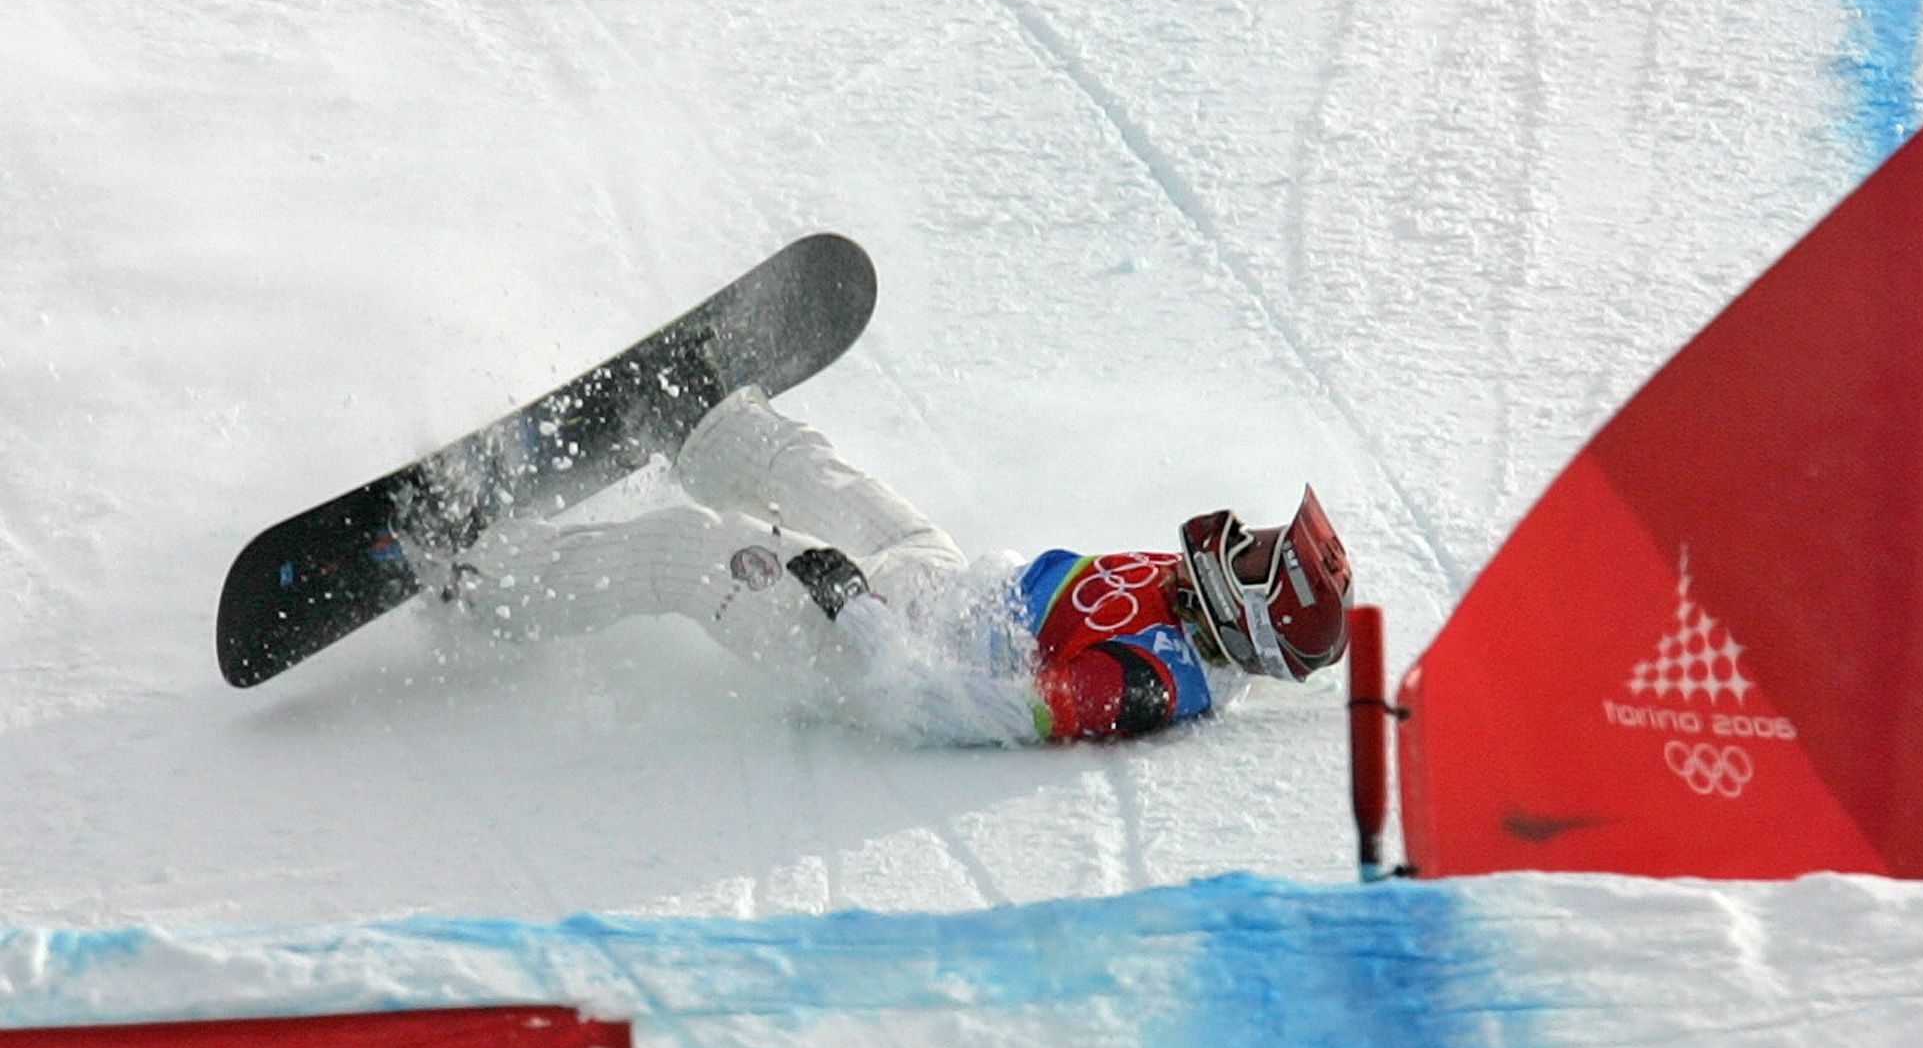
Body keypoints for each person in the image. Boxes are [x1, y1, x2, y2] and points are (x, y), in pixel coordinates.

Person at [429, 386, 1353, 745]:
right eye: (1265, 540)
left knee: (696, 550)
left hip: (863, 654)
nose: (1241, 543)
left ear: (1254, 617)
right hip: (940, 585)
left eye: (1261, 559)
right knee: (818, 477)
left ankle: (480, 581)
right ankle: (709, 424)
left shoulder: (1140, 680)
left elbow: (959, 710)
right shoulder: (1200, 602)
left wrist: (857, 615)